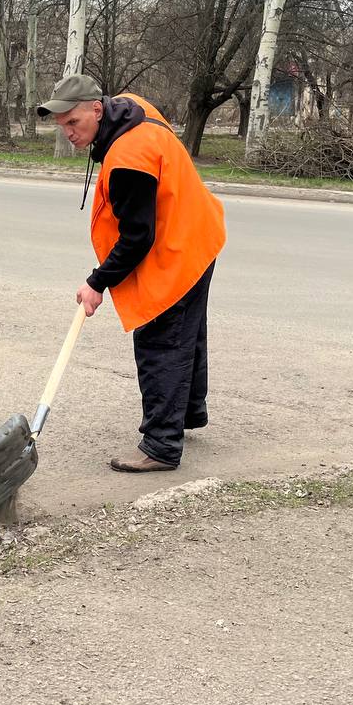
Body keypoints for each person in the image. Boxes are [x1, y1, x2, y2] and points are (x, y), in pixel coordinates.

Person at [37, 74, 226, 473]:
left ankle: (161, 446)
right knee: (186, 336)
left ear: (96, 108)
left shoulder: (127, 158)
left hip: (177, 251)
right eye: (62, 126)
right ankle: (187, 414)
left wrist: (97, 281)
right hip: (199, 234)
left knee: (161, 343)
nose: (68, 133)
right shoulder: (131, 109)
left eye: (74, 122)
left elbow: (137, 237)